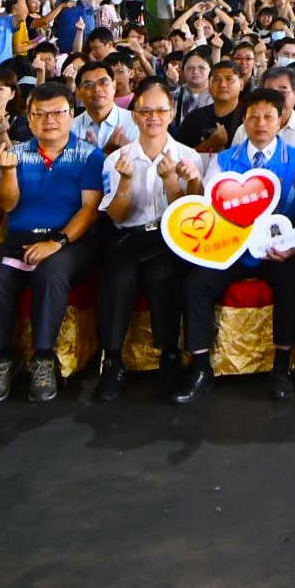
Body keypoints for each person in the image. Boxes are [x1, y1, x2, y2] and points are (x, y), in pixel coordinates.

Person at [0, 83, 105, 405]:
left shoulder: (90, 155)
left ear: (71, 115)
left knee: (51, 272)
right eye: (40, 114)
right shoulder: (16, 154)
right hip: (19, 240)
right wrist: (7, 174)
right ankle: (2, 358)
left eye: (58, 112)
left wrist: (56, 242)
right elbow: (7, 205)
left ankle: (44, 357)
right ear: (29, 118)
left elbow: (90, 209)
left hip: (70, 242)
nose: (49, 120)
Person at [186, 88, 295, 401]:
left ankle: (282, 366)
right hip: (232, 249)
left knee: (294, 279)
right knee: (195, 283)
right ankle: (200, 368)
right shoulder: (225, 160)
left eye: (269, 116)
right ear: (243, 119)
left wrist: (293, 245)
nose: (261, 123)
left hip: (275, 249)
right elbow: (209, 209)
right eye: (253, 116)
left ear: (281, 120)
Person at [90, 78, 205, 401]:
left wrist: (172, 181)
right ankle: (112, 361)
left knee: (163, 275)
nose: (153, 117)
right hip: (130, 236)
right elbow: (117, 216)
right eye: (145, 111)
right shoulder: (117, 159)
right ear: (135, 116)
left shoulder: (189, 157)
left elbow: (191, 216)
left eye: (161, 111)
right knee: (117, 278)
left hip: (171, 237)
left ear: (171, 112)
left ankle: (169, 356)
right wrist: (126, 182)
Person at [71, 63, 139, 152]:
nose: (96, 89)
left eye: (103, 83)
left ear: (114, 85)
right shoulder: (71, 128)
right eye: (89, 85)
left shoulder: (135, 122)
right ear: (79, 92)